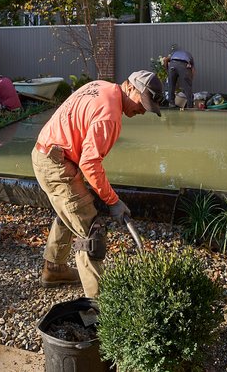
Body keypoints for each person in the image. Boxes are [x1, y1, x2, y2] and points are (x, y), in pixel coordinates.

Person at [32, 70, 164, 297]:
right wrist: (113, 201)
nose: (143, 110)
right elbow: (90, 163)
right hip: (58, 165)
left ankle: (54, 270)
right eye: (142, 103)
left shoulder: (101, 86)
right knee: (91, 233)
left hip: (45, 154)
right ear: (130, 87)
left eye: (147, 106)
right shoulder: (110, 115)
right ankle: (100, 309)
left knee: (71, 211)